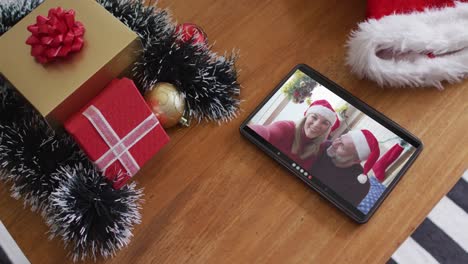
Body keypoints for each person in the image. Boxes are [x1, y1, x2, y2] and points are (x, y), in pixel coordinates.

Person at [249, 100, 340, 169]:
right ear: (306, 117)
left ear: (328, 129)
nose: (316, 125)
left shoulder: (321, 148)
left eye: (325, 123)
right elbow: (266, 131)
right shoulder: (286, 127)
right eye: (314, 117)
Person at [310, 129, 380, 207]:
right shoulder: (324, 145)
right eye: (340, 138)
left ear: (356, 160)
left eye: (342, 146)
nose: (334, 144)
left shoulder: (359, 186)